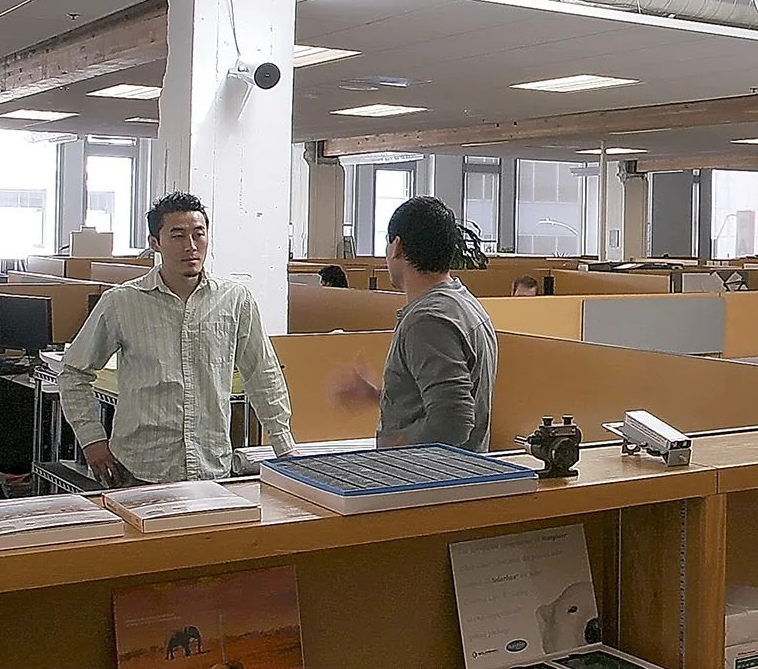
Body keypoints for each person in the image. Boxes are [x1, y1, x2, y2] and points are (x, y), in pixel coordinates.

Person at [58, 192, 295, 486]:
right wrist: (91, 439)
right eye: (178, 236)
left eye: (199, 234)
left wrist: (284, 446)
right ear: (155, 243)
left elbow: (263, 373)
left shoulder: (235, 300)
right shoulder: (122, 302)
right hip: (139, 468)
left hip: (211, 468)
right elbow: (72, 372)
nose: (191, 246)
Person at [332, 196, 498, 450]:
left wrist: (394, 446)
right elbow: (438, 401)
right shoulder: (464, 304)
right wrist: (378, 395)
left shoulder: (428, 321)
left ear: (396, 246)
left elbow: (453, 421)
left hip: (431, 482)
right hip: (457, 478)